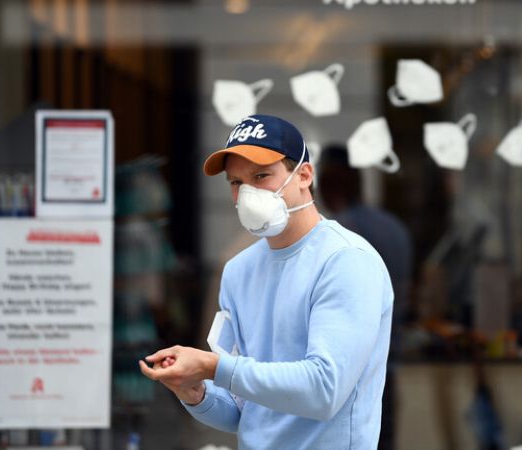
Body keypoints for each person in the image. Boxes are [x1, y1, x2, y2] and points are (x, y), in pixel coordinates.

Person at [139, 114, 394, 450]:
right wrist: (195, 391)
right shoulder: (238, 271)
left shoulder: (346, 260)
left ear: (304, 175)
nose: (247, 193)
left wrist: (214, 367)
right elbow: (242, 411)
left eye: (261, 176)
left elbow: (324, 390)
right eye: (236, 182)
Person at [317, 145, 413, 450]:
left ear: (329, 184)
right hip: (386, 369)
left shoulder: (334, 235)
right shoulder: (395, 229)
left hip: (344, 379)